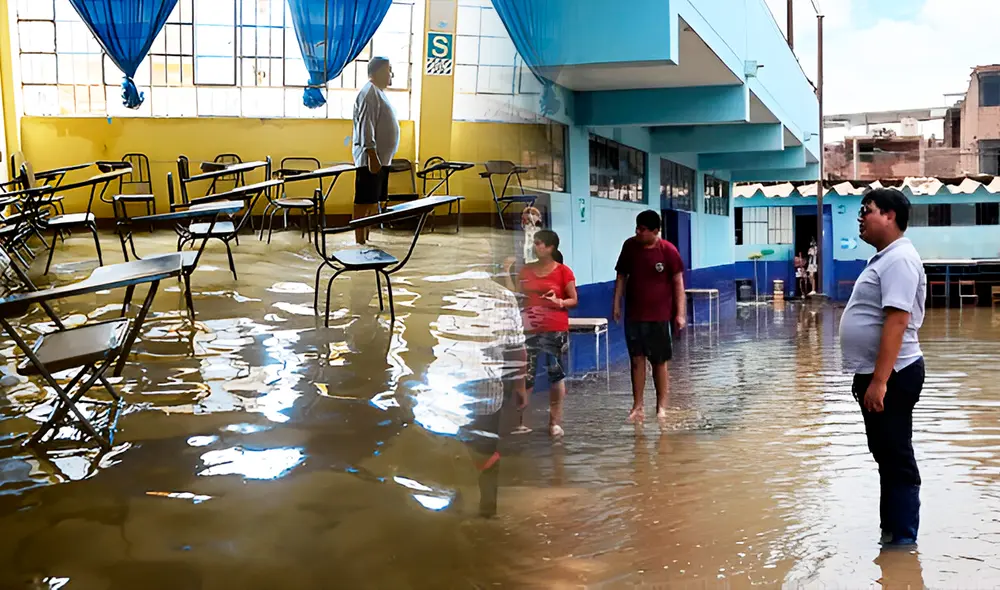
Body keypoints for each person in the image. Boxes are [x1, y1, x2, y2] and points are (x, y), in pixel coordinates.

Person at [839, 187, 926, 546]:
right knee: (886, 457)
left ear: (890, 216)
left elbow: (897, 321)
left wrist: (879, 381)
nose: (860, 218)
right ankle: (891, 536)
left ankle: (903, 544)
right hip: (882, 375)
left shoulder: (899, 260)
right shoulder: (885, 258)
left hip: (894, 375)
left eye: (867, 210)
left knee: (896, 460)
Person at [613, 210, 686, 423]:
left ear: (655, 231)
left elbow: (678, 283)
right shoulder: (630, 246)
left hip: (660, 316)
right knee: (636, 361)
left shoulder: (668, 251)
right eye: (637, 227)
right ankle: (637, 406)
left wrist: (680, 314)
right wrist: (616, 303)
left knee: (659, 362)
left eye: (643, 229)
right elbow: (621, 276)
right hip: (634, 315)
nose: (638, 232)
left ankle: (661, 407)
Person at [517, 230, 577, 438]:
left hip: (554, 328)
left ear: (551, 248)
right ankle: (520, 422)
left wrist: (558, 302)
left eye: (540, 243)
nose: (536, 246)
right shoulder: (526, 270)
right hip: (529, 328)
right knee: (527, 374)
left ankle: (554, 422)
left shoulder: (563, 272)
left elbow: (573, 300)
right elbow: (516, 295)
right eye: (535, 243)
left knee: (555, 373)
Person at [351, 56, 399, 245]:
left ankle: (366, 239)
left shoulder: (378, 92)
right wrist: (371, 153)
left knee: (372, 201)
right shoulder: (369, 92)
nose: (391, 74)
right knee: (363, 201)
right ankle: (359, 242)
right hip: (370, 158)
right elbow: (366, 125)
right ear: (378, 71)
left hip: (380, 158)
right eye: (389, 70)